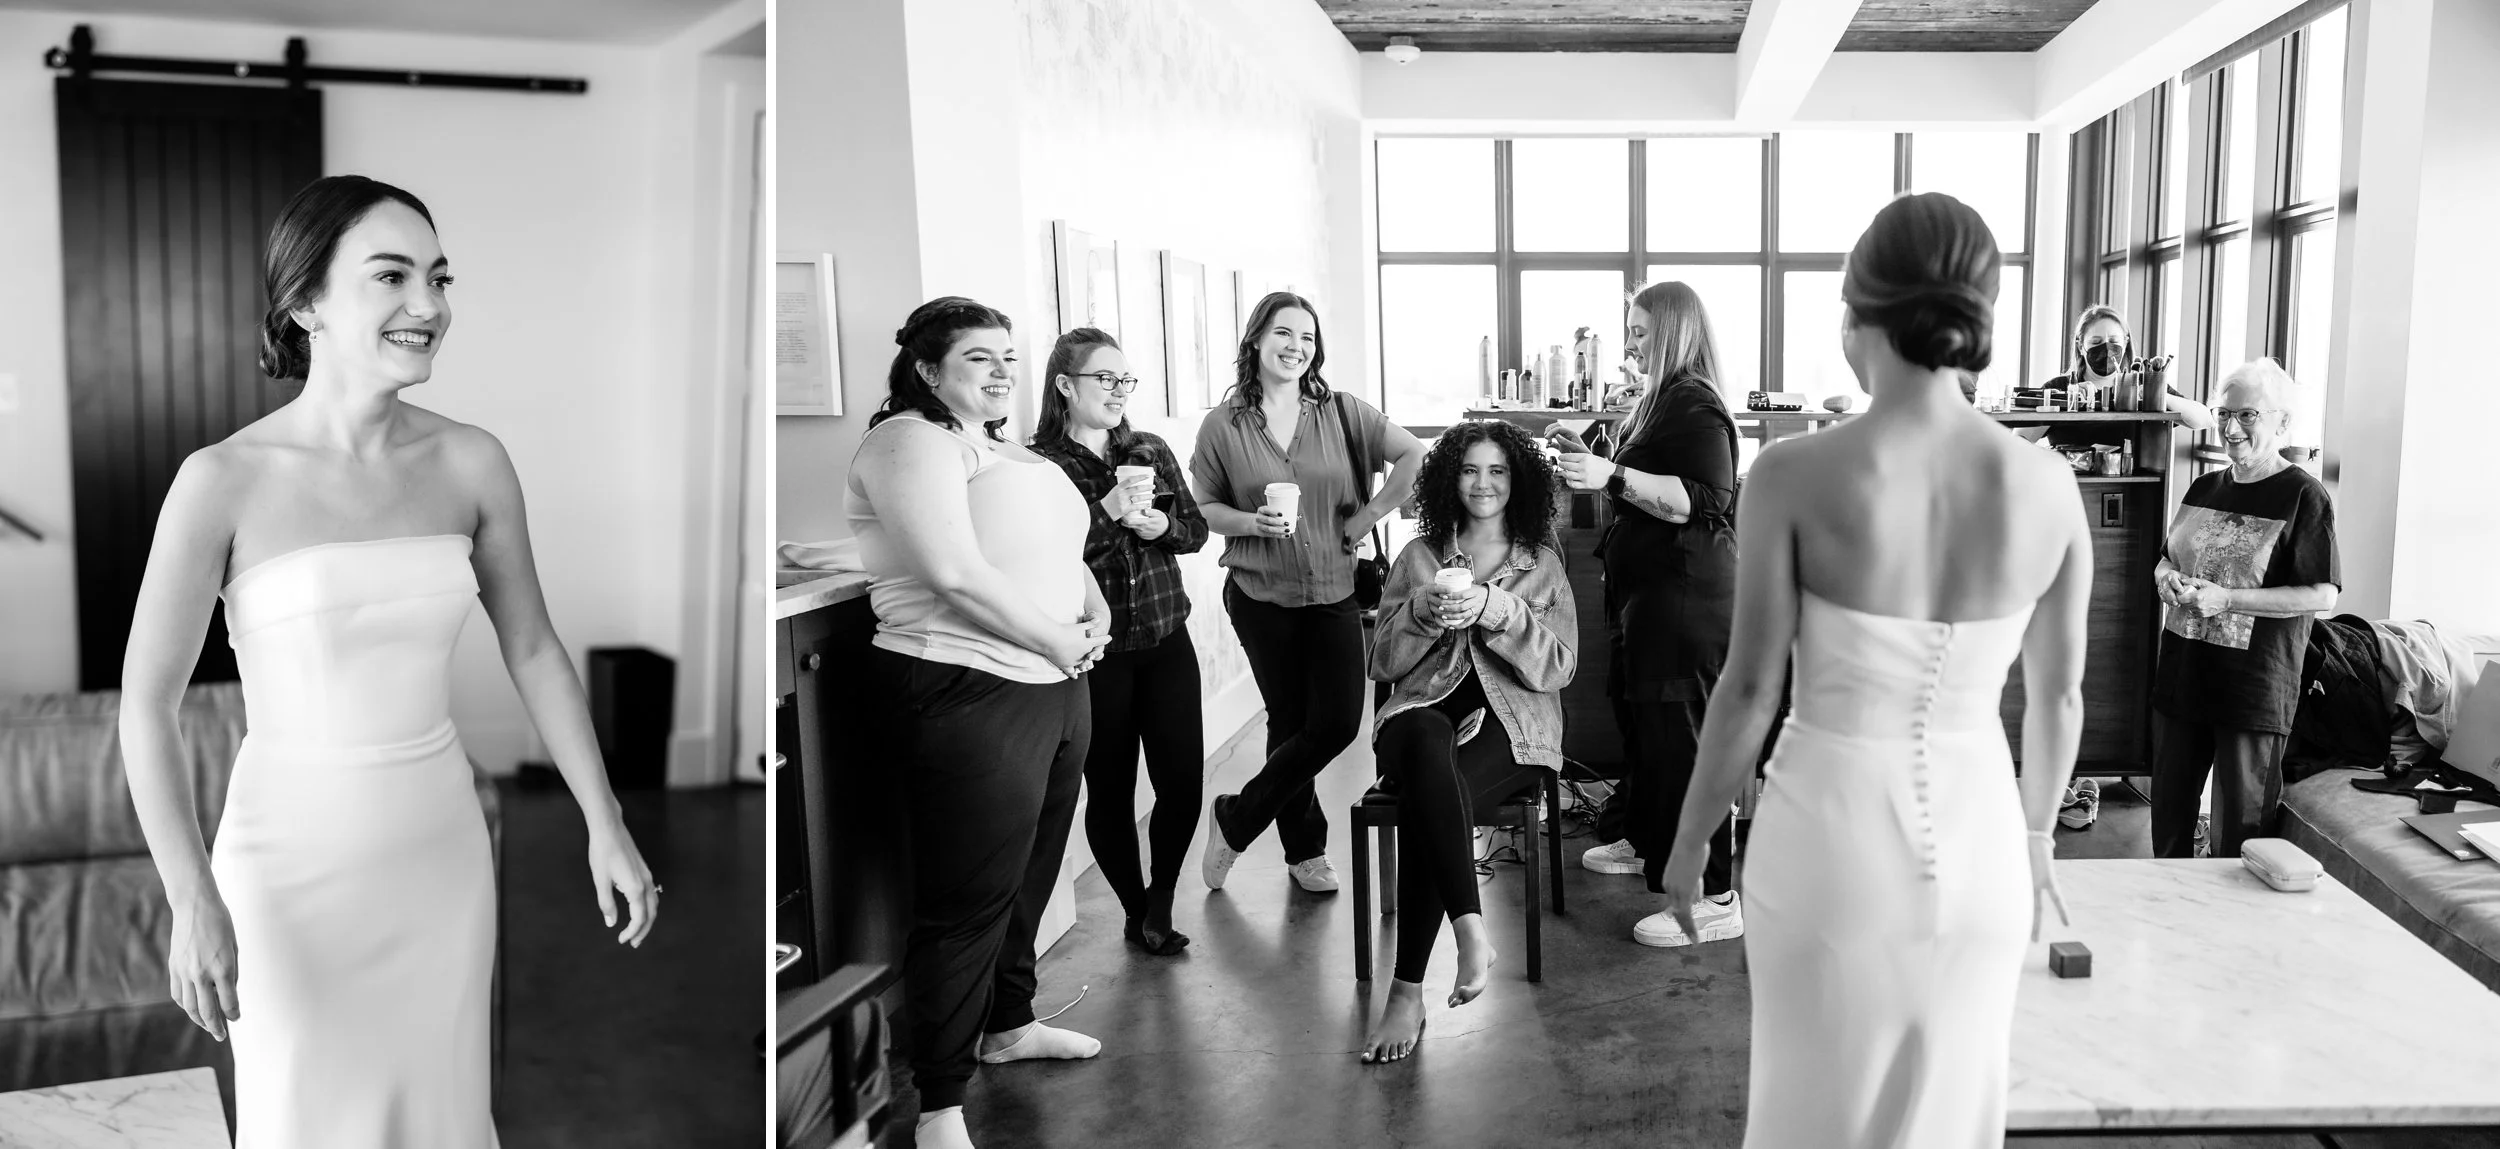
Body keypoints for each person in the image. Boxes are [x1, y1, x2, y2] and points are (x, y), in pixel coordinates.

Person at [118, 175, 659, 1147]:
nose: (431, 307)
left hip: (439, 850)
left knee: (441, 1113)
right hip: (285, 866)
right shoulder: (221, 482)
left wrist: (603, 819)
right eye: (393, 277)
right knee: (303, 1112)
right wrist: (192, 898)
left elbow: (531, 647)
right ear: (306, 303)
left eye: (439, 278)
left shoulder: (473, 463)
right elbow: (145, 706)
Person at [1659, 192, 2089, 1147]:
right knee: (1952, 1112)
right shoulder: (2048, 485)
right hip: (1986, 847)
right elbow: (2059, 695)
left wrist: (1689, 843)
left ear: (1857, 316)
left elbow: (1749, 688)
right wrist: (2039, 836)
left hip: (1832, 837)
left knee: (1816, 1107)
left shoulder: (1793, 473)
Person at [848, 297, 1111, 1149]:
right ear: (928, 370)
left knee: (1030, 875)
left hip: (1051, 686)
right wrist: (1057, 642)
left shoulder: (1003, 448)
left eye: (1007, 356)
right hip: (966, 686)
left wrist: (1091, 614)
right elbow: (954, 572)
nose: (1000, 371)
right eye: (976, 358)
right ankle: (939, 1102)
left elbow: (1057, 554)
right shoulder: (909, 440)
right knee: (965, 900)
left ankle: (1010, 1025)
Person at [1191, 292, 1425, 895]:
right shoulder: (1223, 425)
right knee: (1289, 721)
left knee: (1338, 723)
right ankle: (1305, 852)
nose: (1297, 347)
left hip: (1333, 591)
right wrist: (1250, 523)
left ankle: (1236, 819)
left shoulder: (1343, 413)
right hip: (1258, 594)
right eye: (1284, 333)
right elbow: (1203, 508)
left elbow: (1412, 455)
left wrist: (1367, 515)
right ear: (1256, 340)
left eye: (1308, 337)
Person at [1360, 419, 1578, 1063]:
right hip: (1419, 716)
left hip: (1509, 725)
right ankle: (1470, 929)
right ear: (1449, 477)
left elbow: (1559, 666)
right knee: (1429, 751)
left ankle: (1407, 990)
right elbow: (1381, 663)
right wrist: (1424, 612)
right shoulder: (1419, 557)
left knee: (1437, 795)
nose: (1483, 483)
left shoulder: (1540, 565)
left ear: (1519, 482)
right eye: (1470, 470)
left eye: (1498, 471)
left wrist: (1498, 610)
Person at [1552, 281, 1744, 948]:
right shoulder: (1657, 400)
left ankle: (1712, 896)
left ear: (1672, 330)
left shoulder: (1696, 404)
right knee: (1644, 728)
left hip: (1685, 597)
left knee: (1684, 743)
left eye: (1639, 330)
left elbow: (1703, 497)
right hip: (1647, 596)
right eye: (1628, 330)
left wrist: (1611, 474)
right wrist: (1593, 453)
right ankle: (1644, 839)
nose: (1629, 342)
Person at [1028, 328, 1210, 956]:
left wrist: (1164, 526)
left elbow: (1195, 531)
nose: (1117, 390)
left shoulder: (1150, 447)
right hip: (1096, 653)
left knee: (1184, 781)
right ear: (1064, 385)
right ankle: (1137, 912)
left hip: (1165, 637)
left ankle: (1160, 896)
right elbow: (1047, 557)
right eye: (1104, 378)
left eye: (1124, 379)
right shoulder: (1038, 465)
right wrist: (1105, 508)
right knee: (1110, 789)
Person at [2150, 358, 2339, 860]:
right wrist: (2165, 577)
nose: (2231, 428)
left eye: (2247, 415)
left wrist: (2226, 599)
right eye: (2223, 414)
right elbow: (2168, 556)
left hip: (2251, 690)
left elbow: (2321, 595)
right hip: (2183, 676)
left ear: (2282, 423)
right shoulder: (2204, 487)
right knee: (2168, 826)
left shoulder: (2303, 495)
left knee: (2240, 840)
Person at [2045, 305, 2217, 432]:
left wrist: (2156, 395)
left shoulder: (2143, 382)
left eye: (2114, 341)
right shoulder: (2059, 387)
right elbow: (2022, 441)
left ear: (2125, 343)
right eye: (2096, 342)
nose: (2106, 348)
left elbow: (2205, 420)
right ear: (2081, 346)